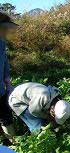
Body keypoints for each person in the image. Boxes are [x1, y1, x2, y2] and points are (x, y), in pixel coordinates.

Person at [0, 12, 18, 143]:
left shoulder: (2, 43)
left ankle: (15, 146)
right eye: (4, 28)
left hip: (0, 90)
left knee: (6, 118)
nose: (6, 31)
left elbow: (5, 62)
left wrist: (8, 82)